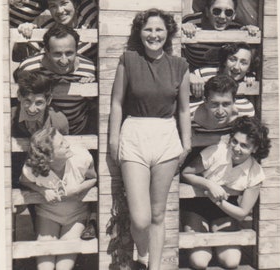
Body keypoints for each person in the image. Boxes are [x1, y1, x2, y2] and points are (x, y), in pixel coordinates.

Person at [109, 8, 191, 270]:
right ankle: (143, 254)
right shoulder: (128, 60)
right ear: (140, 32)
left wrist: (186, 143)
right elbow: (116, 103)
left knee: (157, 214)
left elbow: (183, 110)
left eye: (159, 30)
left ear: (168, 34)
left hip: (166, 137)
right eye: (148, 29)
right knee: (141, 218)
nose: (153, 35)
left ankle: (154, 267)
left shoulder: (180, 66)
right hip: (134, 135)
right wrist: (113, 140)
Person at [180, 116, 271, 269]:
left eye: (244, 145)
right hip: (196, 207)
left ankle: (214, 243)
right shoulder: (217, 151)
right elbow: (186, 173)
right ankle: (201, 241)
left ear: (255, 148)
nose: (236, 148)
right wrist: (209, 184)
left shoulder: (255, 172)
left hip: (225, 211)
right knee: (199, 261)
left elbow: (242, 213)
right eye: (235, 141)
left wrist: (219, 201)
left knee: (231, 261)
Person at [20, 127, 97, 270]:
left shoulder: (81, 156)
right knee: (45, 267)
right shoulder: (34, 167)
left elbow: (93, 178)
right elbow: (24, 181)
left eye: (64, 139)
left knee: (64, 267)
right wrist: (42, 190)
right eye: (61, 144)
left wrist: (77, 189)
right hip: (48, 215)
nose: (67, 144)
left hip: (76, 216)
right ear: (49, 157)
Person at [15, 23, 97, 135]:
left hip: (79, 130)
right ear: (47, 52)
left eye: (69, 53)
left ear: (76, 50)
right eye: (57, 54)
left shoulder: (88, 69)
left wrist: (90, 90)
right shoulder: (30, 68)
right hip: (42, 133)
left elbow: (93, 103)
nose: (64, 60)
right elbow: (21, 100)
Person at [181, 0, 260, 70]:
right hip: (194, 76)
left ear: (234, 15)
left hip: (223, 76)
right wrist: (182, 28)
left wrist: (250, 34)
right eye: (216, 11)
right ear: (207, 11)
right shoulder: (190, 21)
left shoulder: (236, 28)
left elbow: (248, 55)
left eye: (228, 12)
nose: (222, 16)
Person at [10, 0, 97, 61]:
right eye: (53, 6)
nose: (59, 11)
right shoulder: (49, 26)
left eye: (64, 3)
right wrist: (24, 35)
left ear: (75, 4)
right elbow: (17, 57)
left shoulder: (88, 14)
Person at [11, 70, 69, 138]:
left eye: (39, 103)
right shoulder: (8, 118)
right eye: (27, 101)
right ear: (19, 96)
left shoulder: (59, 122)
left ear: (48, 100)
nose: (32, 109)